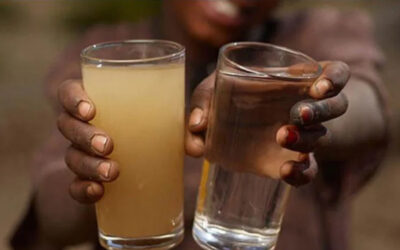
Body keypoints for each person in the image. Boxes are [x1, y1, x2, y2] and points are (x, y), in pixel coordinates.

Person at [11, 0, 389, 249]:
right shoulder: (104, 52)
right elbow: (51, 210)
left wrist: (307, 110)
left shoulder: (317, 33)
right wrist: (87, 178)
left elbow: (368, 106)